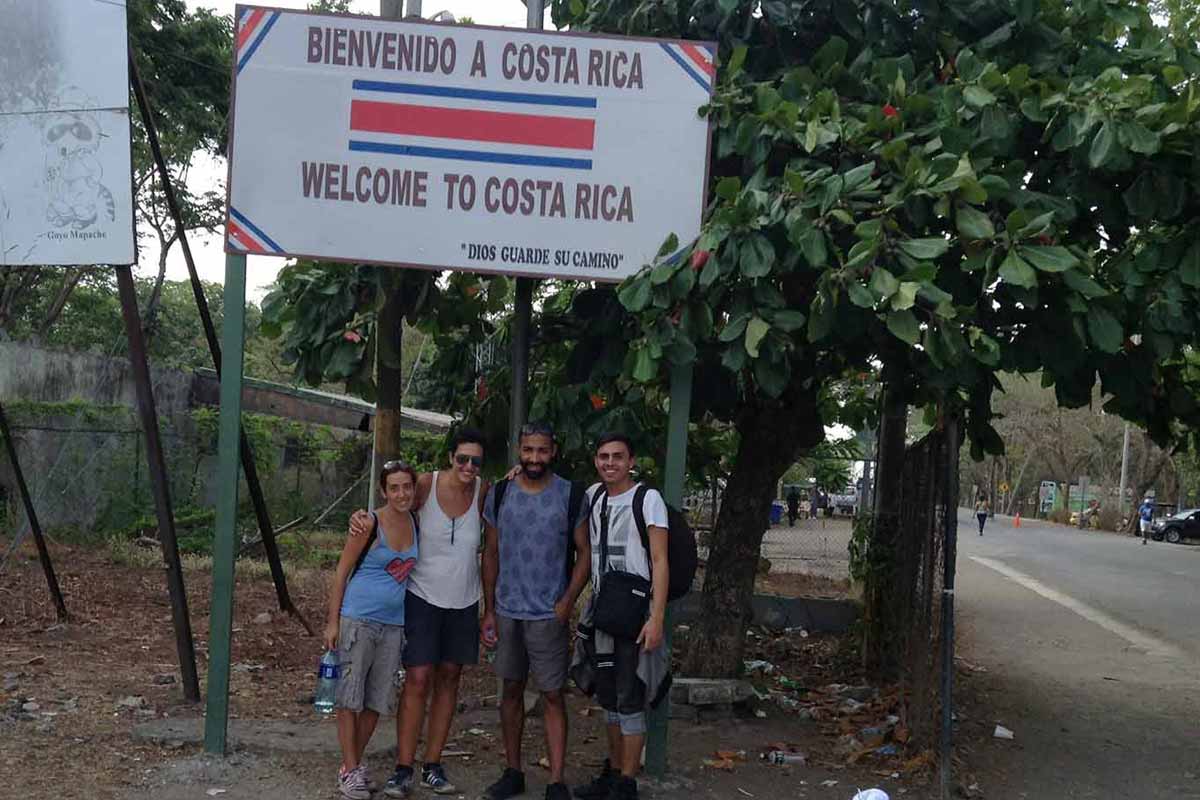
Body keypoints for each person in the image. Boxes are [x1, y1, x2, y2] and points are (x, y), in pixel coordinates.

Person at [349, 428, 490, 798]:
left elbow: (491, 550)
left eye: (476, 461)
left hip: (464, 600)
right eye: (462, 459)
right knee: (418, 678)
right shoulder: (425, 486)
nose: (469, 467)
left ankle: (433, 763)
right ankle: (403, 767)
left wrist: (488, 607)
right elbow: (393, 507)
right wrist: (362, 518)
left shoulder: (484, 492)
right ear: (450, 458)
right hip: (423, 596)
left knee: (449, 678)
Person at [480, 421, 591, 800]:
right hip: (508, 611)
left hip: (548, 614)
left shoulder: (570, 495)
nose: (534, 458)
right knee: (510, 691)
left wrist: (566, 603)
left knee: (553, 694)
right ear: (519, 451)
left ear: (553, 451)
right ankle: (513, 771)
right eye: (528, 450)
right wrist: (489, 609)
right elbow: (490, 553)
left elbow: (585, 553)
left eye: (542, 451)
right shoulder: (500, 493)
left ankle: (556, 780)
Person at [572, 433, 670, 800]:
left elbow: (660, 560)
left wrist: (656, 618)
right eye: (602, 456)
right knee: (609, 696)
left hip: (634, 610)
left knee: (631, 695)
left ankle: (628, 782)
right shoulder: (594, 496)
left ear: (631, 461)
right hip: (603, 609)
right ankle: (613, 773)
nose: (609, 463)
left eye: (617, 456)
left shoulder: (648, 500)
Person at [326, 461, 420, 800]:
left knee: (376, 700)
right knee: (349, 697)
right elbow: (341, 571)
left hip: (393, 624)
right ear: (383, 491)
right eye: (393, 488)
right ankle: (350, 770)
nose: (401, 493)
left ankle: (351, 765)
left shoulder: (415, 520)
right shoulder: (368, 524)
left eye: (406, 487)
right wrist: (333, 621)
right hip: (359, 618)